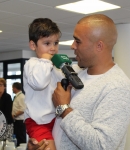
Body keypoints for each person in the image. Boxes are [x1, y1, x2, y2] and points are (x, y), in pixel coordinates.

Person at [27, 14, 130, 150]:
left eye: (78, 41)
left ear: (99, 46)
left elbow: (102, 146)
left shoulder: (117, 87)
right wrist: (37, 145)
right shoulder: (74, 73)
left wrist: (64, 108)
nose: (72, 46)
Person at [23, 18, 63, 150]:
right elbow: (39, 83)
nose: (53, 48)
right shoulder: (32, 64)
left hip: (54, 120)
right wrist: (46, 61)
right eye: (47, 43)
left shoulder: (54, 67)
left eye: (56, 43)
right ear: (33, 45)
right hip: (37, 121)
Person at [12, 82, 26, 146]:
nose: (12, 89)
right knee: (17, 138)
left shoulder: (21, 97)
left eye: (12, 88)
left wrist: (14, 115)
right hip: (17, 121)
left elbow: (23, 109)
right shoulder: (17, 96)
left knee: (21, 138)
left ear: (15, 88)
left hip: (20, 121)